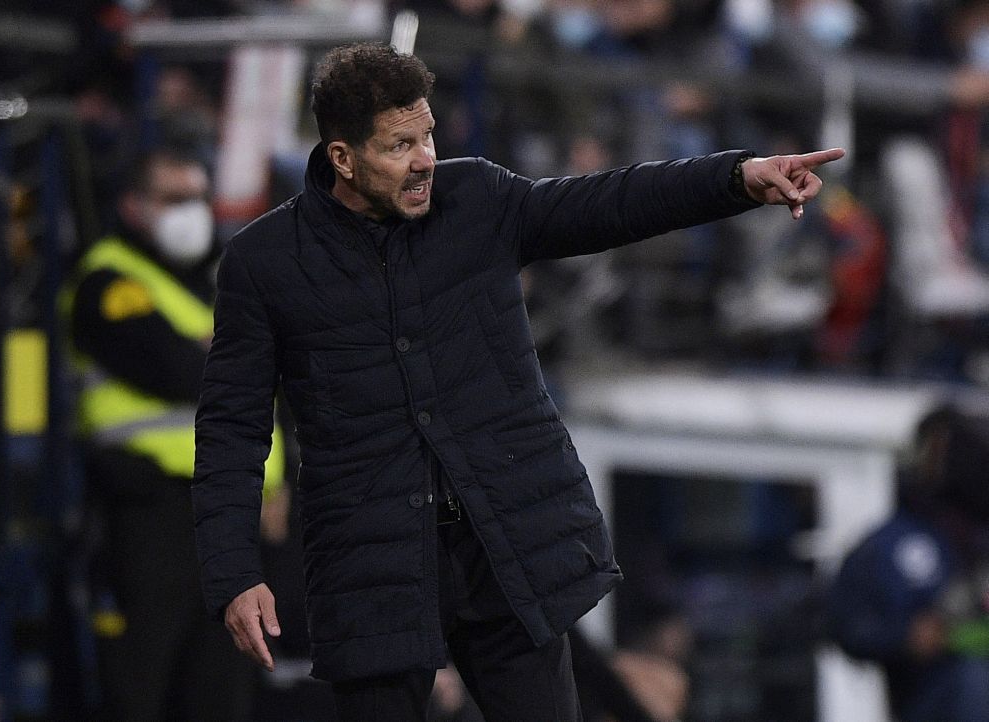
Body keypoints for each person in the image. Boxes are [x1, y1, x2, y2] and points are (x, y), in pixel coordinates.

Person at [192, 42, 843, 722]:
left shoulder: (477, 198)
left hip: (506, 548)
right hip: (370, 566)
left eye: (428, 136)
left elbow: (610, 202)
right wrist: (234, 574)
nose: (425, 160)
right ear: (342, 158)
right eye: (400, 145)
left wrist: (736, 178)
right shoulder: (264, 263)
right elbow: (232, 428)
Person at [63, 145, 284, 721]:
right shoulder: (108, 281)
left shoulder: (215, 279)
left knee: (222, 682)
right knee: (143, 681)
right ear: (134, 206)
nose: (192, 211)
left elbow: (272, 375)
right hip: (152, 511)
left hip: (233, 513)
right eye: (174, 198)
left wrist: (274, 484)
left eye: (199, 197)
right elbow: (176, 369)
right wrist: (242, 355)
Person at [826, 404, 989, 722]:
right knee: (971, 681)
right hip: (934, 697)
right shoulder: (892, 543)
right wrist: (906, 636)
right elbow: (847, 624)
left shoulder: (978, 535)